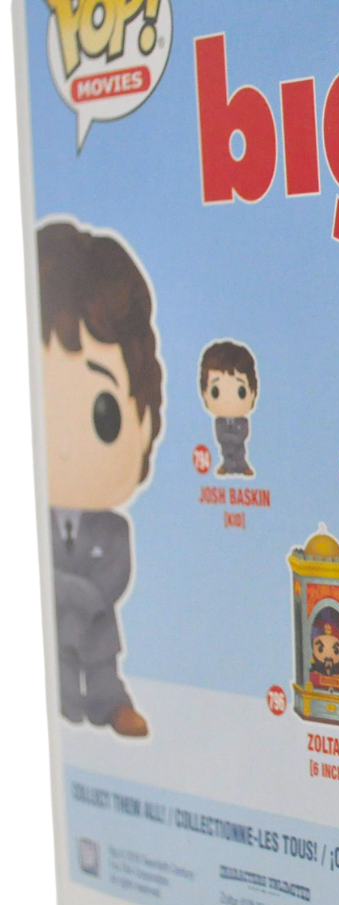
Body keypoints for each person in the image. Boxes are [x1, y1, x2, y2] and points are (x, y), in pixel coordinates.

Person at [39, 221, 165, 738]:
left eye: (102, 415)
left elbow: (108, 584)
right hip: (50, 641)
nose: (64, 446)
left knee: (101, 671)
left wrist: (64, 591)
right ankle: (65, 713)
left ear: (144, 423)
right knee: (57, 680)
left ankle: (111, 706)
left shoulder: (113, 532)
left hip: (93, 634)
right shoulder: (33, 521)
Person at [199, 340, 258, 476]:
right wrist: (231, 438)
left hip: (239, 450)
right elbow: (220, 436)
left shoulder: (243, 421)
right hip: (226, 450)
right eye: (215, 392)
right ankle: (226, 466)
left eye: (241, 392)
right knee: (227, 456)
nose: (227, 401)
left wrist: (231, 438)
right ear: (204, 394)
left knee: (240, 456)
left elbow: (243, 434)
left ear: (253, 393)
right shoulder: (219, 421)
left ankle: (243, 467)